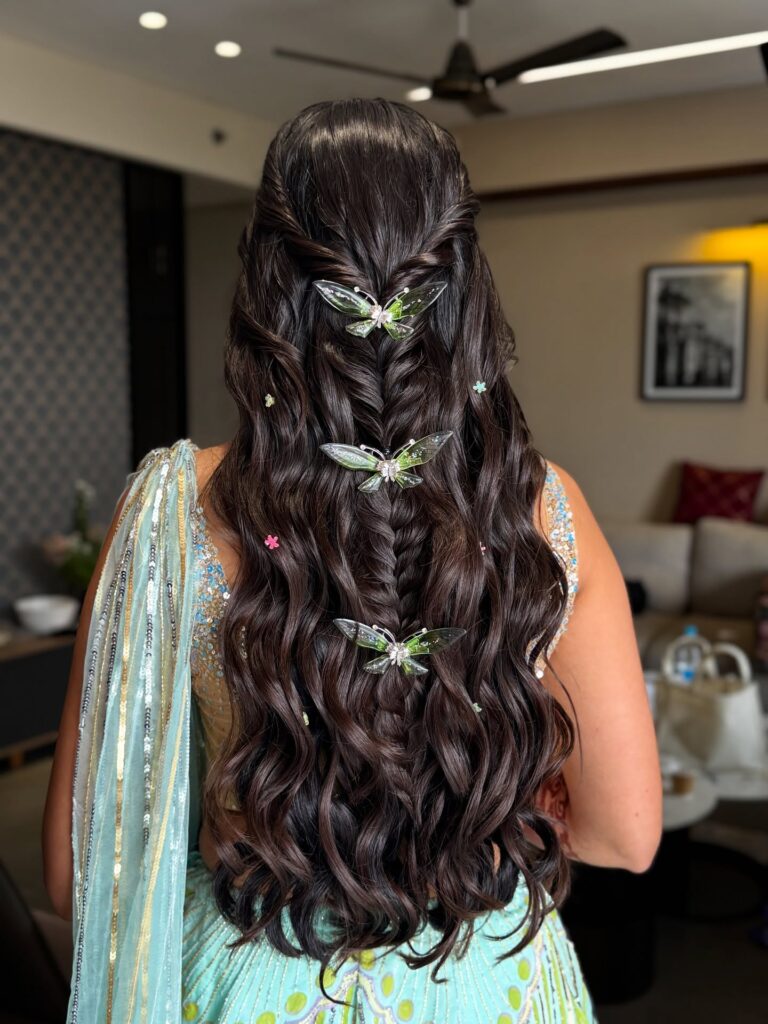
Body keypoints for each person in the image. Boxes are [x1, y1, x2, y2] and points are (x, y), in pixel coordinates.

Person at [42, 98, 662, 1024]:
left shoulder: (167, 513)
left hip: (253, 975)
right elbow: (625, 834)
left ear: (268, 281)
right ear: (461, 282)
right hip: (487, 979)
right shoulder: (540, 509)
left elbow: (77, 873)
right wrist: (475, 803)